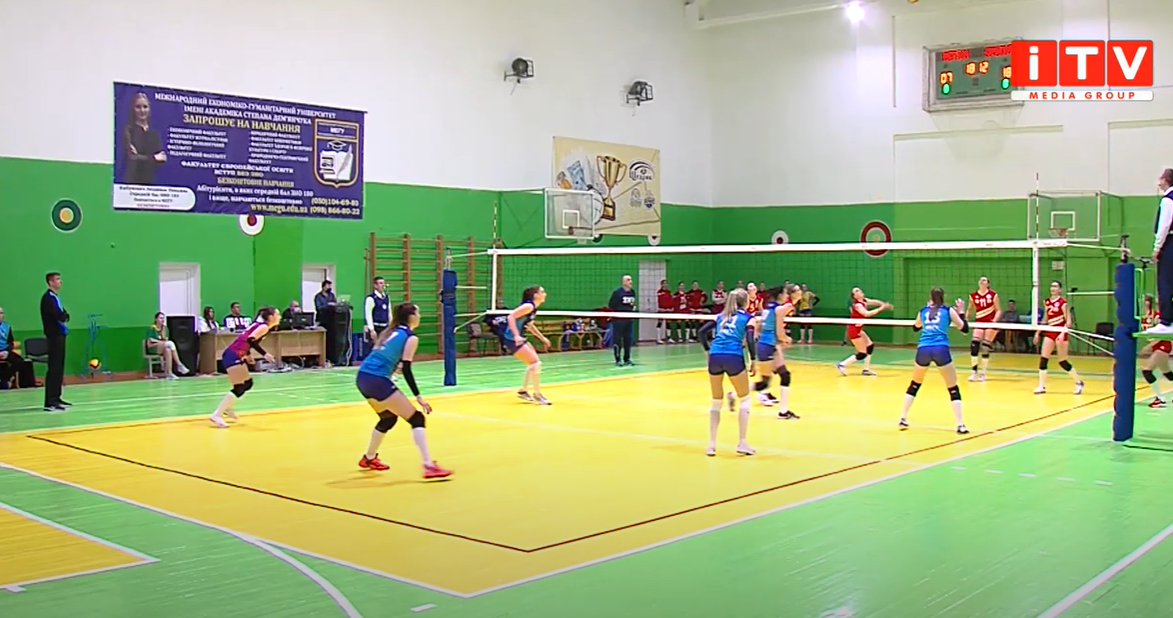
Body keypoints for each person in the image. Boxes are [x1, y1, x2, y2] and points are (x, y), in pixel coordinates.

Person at [355, 302, 452, 478]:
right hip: (377, 380)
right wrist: (418, 396)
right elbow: (407, 368)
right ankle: (428, 466)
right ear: (411, 316)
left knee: (388, 418)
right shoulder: (410, 337)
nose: (420, 316)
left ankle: (369, 458)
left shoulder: (390, 332)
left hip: (363, 377)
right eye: (418, 313)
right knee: (417, 418)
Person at [899, 287, 969, 434]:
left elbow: (915, 327)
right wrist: (961, 312)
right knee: (952, 388)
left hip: (923, 349)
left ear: (930, 297)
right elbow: (964, 329)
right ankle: (960, 425)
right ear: (944, 297)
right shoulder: (948, 310)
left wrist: (927, 310)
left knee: (915, 384)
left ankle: (903, 417)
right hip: (940, 349)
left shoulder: (923, 311)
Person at [208, 307, 280, 428]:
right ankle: (217, 414)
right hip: (232, 355)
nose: (280, 317)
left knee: (247, 383)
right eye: (277, 314)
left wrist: (248, 354)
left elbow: (246, 340)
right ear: (271, 317)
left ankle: (227, 408)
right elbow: (250, 339)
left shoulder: (260, 325)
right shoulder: (264, 327)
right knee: (239, 387)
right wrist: (264, 354)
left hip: (236, 354)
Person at [705, 288, 755, 457]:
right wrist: (753, 360)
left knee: (716, 401)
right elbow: (750, 339)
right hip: (733, 355)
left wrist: (707, 350)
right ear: (745, 301)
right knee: (745, 398)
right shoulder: (748, 318)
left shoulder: (721, 316)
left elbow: (702, 332)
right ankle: (742, 442)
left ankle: (711, 445)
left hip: (715, 355)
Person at [490, 286, 552, 404]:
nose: (545, 294)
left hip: (519, 338)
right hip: (512, 339)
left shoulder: (533, 308)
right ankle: (537, 394)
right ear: (535, 295)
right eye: (542, 292)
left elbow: (530, 325)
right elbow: (511, 317)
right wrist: (516, 335)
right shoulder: (528, 306)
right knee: (535, 363)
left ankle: (523, 391)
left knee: (533, 364)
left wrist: (542, 338)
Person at [753, 285, 801, 420]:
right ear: (780, 295)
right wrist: (786, 339)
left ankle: (783, 411)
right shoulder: (779, 309)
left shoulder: (768, 308)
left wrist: (779, 340)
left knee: (785, 375)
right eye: (785, 293)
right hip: (766, 346)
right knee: (764, 382)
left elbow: (760, 326)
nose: (787, 296)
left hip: (770, 345)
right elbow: (779, 332)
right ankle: (734, 393)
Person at [1033, 280, 1084, 395]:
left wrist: (1062, 333)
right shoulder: (1046, 302)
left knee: (1062, 362)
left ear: (1060, 289)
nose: (1053, 288)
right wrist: (1038, 332)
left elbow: (1069, 322)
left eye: (1055, 286)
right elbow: (1045, 319)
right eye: (1052, 286)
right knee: (1043, 358)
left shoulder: (1063, 303)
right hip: (1051, 331)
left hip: (1061, 331)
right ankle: (1041, 386)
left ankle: (1079, 382)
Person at [837, 287, 892, 377]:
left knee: (870, 346)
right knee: (862, 353)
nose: (859, 291)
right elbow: (866, 314)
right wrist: (881, 308)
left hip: (859, 329)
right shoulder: (857, 305)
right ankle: (842, 364)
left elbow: (875, 302)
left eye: (859, 289)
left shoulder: (864, 301)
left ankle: (866, 369)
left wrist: (884, 304)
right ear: (854, 296)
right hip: (854, 330)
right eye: (856, 291)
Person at [1146, 168, 1173, 335]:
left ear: (1165, 180)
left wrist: (1157, 248)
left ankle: (1166, 321)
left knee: (1165, 282)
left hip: (1170, 243)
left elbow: (1164, 225)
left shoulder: (1168, 200)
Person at [40, 272, 70, 411]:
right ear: (50, 282)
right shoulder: (48, 299)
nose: (60, 281)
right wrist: (63, 316)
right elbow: (58, 315)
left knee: (59, 367)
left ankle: (57, 397)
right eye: (57, 279)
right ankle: (50, 401)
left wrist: (64, 315)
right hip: (53, 336)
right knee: (54, 368)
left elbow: (64, 314)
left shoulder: (55, 297)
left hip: (60, 335)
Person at [122, 92, 165, 185]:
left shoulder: (154, 134)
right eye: (138, 107)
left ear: (149, 109)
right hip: (132, 184)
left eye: (145, 107)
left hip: (150, 184)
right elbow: (132, 158)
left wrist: (142, 157)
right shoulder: (129, 131)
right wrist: (153, 158)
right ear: (133, 109)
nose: (142, 110)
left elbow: (162, 158)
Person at [966, 277, 1002, 382]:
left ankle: (983, 373)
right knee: (974, 345)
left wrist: (994, 321)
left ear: (988, 284)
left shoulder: (993, 295)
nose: (982, 281)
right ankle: (974, 372)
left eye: (985, 280)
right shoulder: (973, 296)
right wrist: (964, 321)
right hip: (979, 323)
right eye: (981, 280)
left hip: (990, 323)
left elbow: (999, 310)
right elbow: (970, 310)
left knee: (985, 347)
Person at [1140, 294, 1173, 407]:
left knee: (1147, 371)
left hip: (1163, 345)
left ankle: (1160, 399)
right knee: (1167, 373)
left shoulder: (1157, 316)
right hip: (1156, 346)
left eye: (1144, 301)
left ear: (1148, 303)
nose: (1142, 303)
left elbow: (1161, 335)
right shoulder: (1143, 317)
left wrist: (1148, 347)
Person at [146, 312, 189, 378]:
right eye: (160, 318)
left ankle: (169, 373)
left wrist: (161, 339)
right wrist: (159, 342)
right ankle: (179, 364)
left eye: (163, 318)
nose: (162, 320)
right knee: (170, 343)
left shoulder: (165, 329)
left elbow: (165, 339)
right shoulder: (152, 328)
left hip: (163, 346)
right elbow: (150, 341)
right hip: (153, 348)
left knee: (168, 350)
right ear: (156, 319)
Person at [0, 307, 34, 388]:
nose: (1, 315)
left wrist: (7, 351)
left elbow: (10, 342)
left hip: (5, 351)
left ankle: (4, 379)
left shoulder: (7, 327)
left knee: (20, 361)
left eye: (1, 313)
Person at [608, 275, 637, 366]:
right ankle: (617, 359)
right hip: (619, 320)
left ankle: (627, 359)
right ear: (623, 282)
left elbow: (632, 304)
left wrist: (632, 308)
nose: (630, 281)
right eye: (628, 280)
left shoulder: (632, 292)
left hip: (629, 320)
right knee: (617, 340)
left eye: (631, 279)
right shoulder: (617, 293)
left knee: (628, 340)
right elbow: (611, 305)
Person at [364, 276, 390, 342]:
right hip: (376, 327)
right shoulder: (371, 298)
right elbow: (368, 314)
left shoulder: (386, 297)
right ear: (375, 285)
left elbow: (389, 312)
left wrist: (391, 326)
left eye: (383, 283)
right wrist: (372, 330)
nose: (383, 285)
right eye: (381, 283)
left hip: (386, 327)